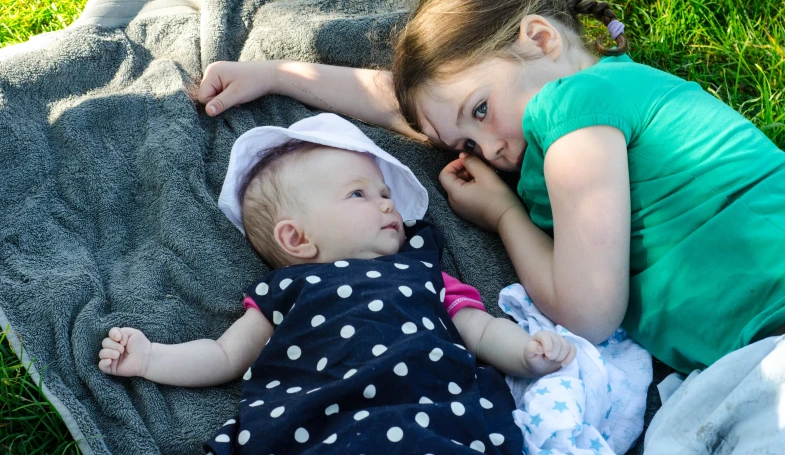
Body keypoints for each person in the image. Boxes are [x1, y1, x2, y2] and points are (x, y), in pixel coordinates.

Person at [195, 0, 785, 375]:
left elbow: (587, 313)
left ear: (540, 39)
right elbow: (411, 105)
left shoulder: (573, 107)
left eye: (481, 113)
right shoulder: (575, 94)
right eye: (467, 144)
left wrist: (505, 216)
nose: (489, 151)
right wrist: (274, 75)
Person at [98, 114, 576, 454]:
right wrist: (151, 357)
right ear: (297, 238)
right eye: (359, 194)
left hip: (430, 414)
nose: (388, 204)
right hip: (317, 424)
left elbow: (483, 331)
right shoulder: (284, 292)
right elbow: (224, 356)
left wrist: (527, 354)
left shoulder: (425, 271)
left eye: (386, 193)